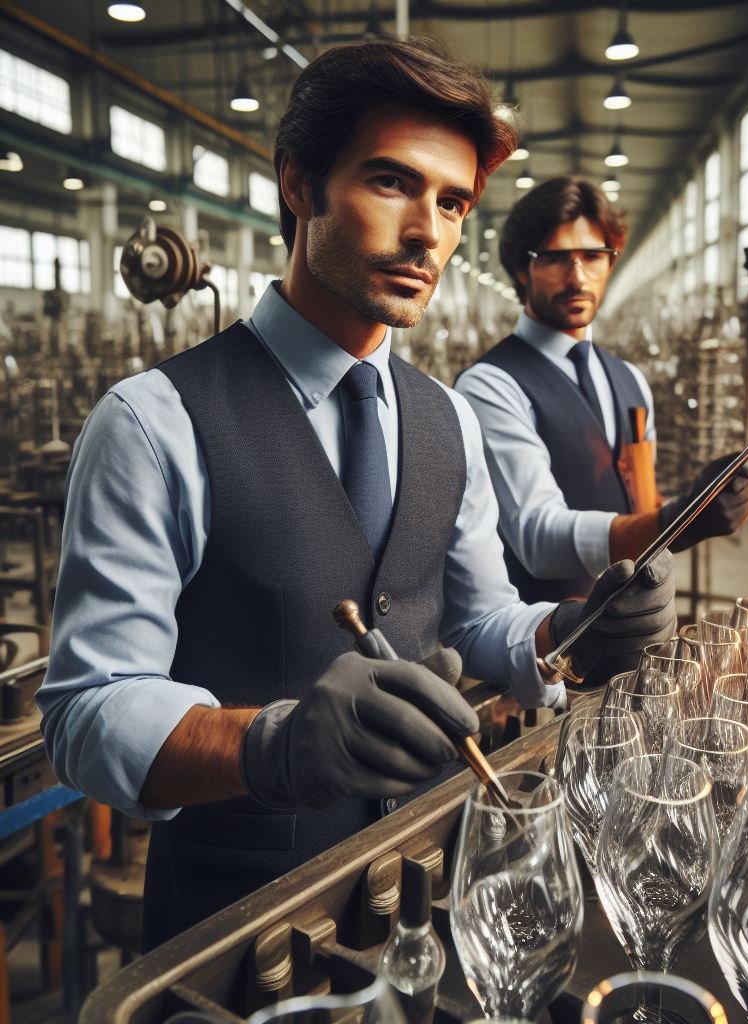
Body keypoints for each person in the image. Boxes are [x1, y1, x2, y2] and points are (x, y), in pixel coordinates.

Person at [37, 41, 676, 949]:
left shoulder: (447, 418)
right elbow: (87, 710)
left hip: (425, 888)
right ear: (298, 184)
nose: (429, 233)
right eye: (391, 184)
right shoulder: (153, 422)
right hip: (239, 930)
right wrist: (276, 745)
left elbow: (472, 614)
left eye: (452, 203)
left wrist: (564, 632)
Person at [455, 176, 748, 604]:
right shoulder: (491, 385)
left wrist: (701, 497)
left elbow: (640, 501)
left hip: (639, 627)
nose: (578, 276)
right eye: (555, 258)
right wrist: (679, 520)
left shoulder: (629, 379)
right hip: (547, 645)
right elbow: (536, 538)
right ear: (520, 270)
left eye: (593, 256)